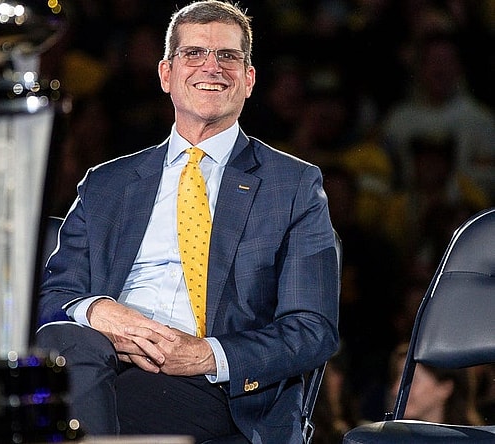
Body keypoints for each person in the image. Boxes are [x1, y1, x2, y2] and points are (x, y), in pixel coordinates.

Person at [34, 2, 340, 443]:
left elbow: (312, 329)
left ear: (249, 80)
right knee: (69, 344)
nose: (211, 67)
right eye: (194, 53)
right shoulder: (106, 185)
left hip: (211, 386)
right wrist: (99, 312)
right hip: (99, 360)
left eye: (228, 56)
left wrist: (205, 354)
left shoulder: (292, 186)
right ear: (166, 74)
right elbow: (52, 296)